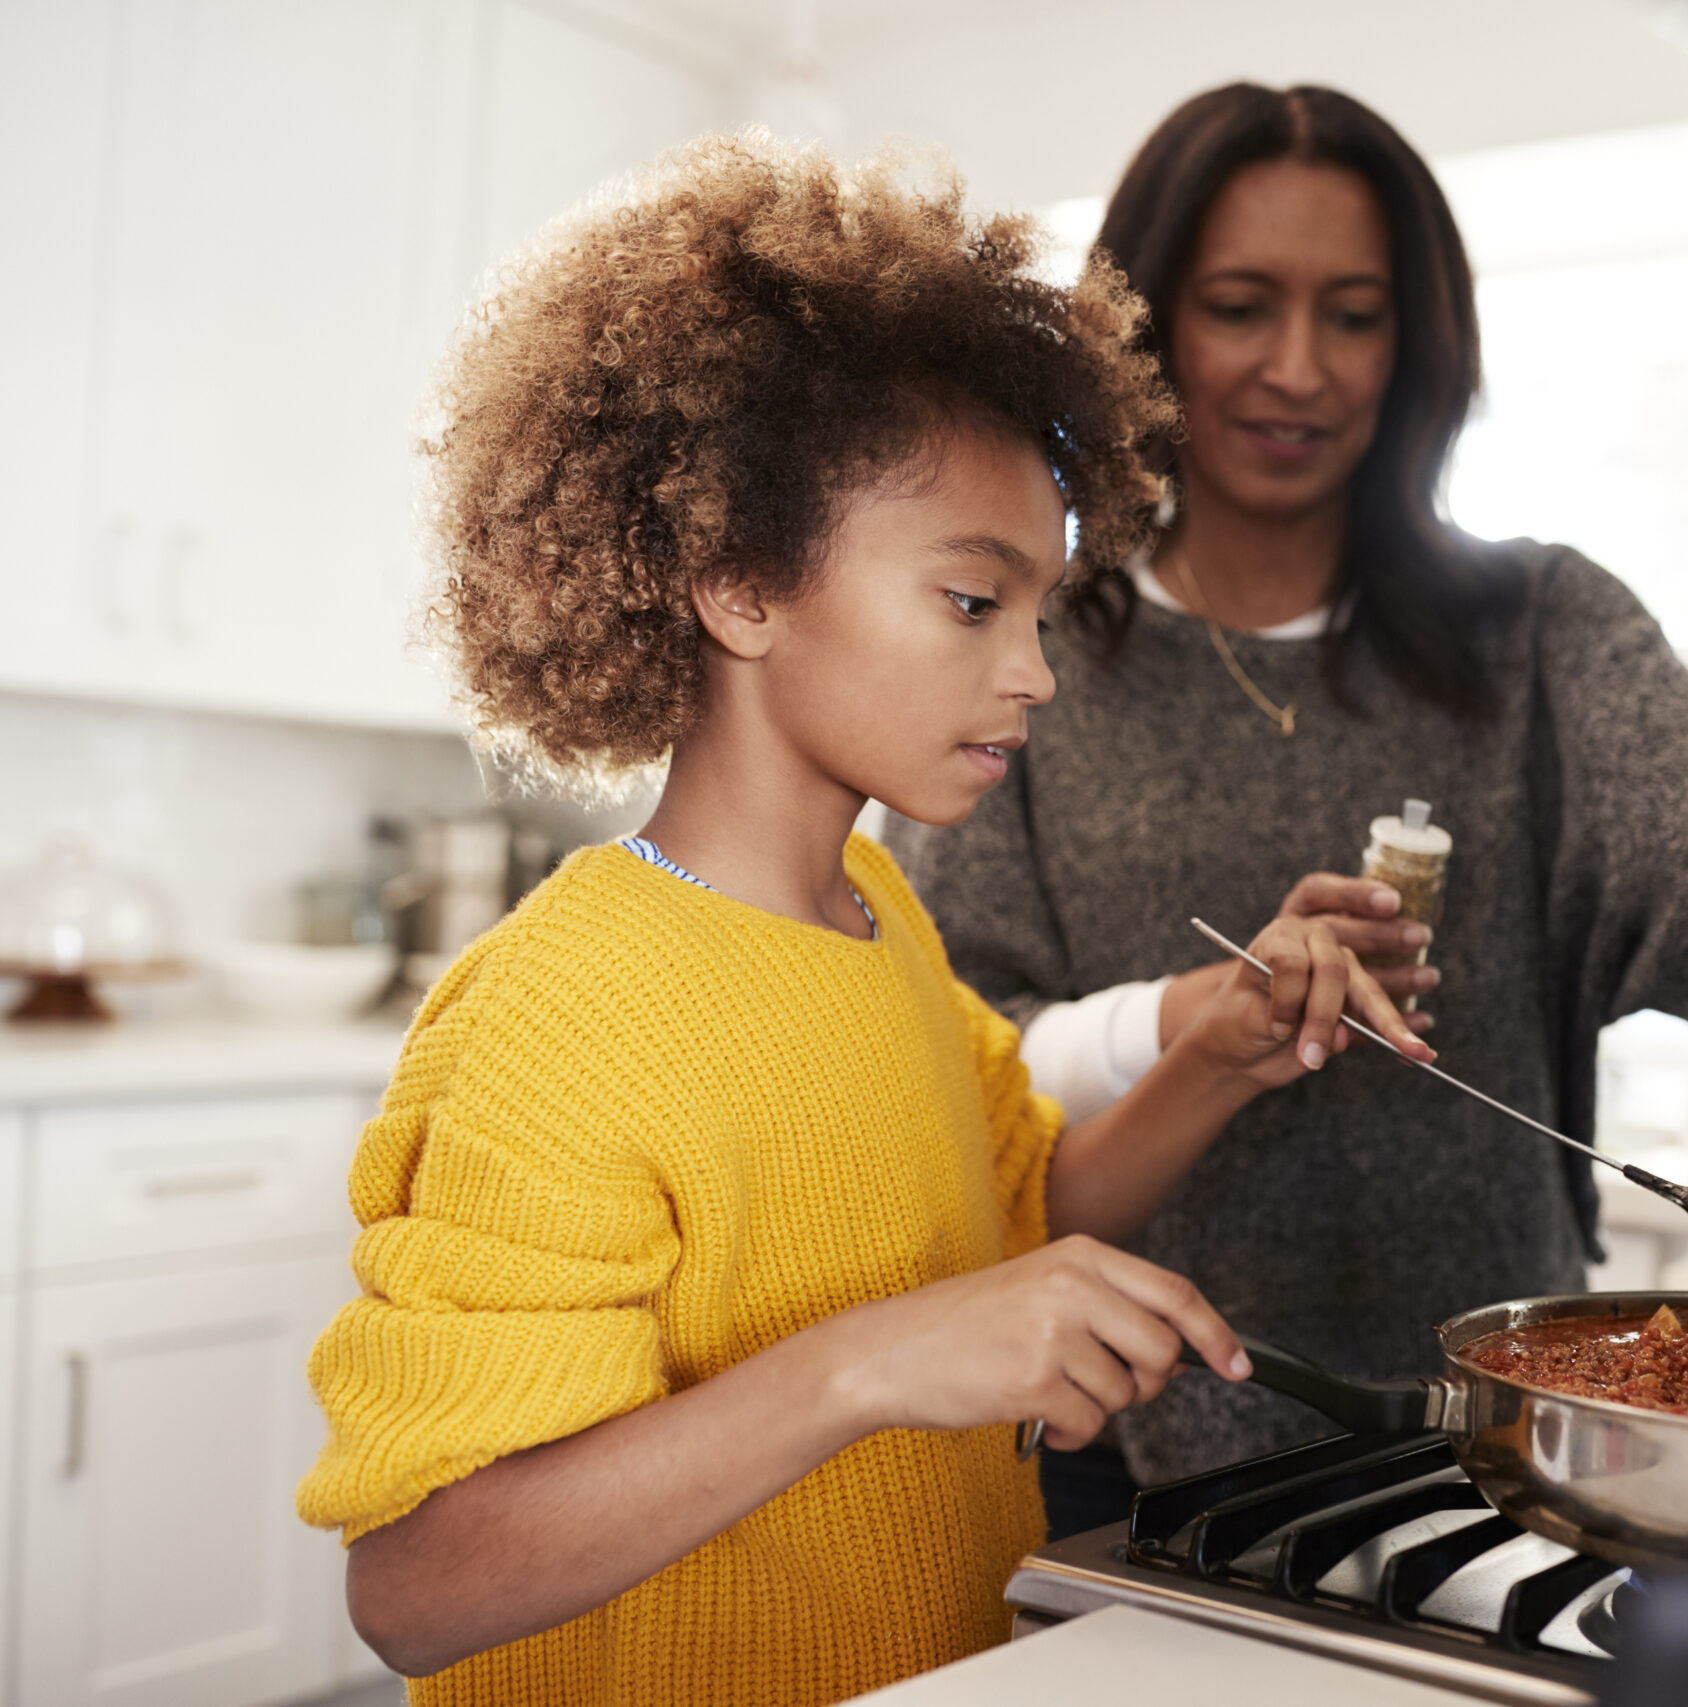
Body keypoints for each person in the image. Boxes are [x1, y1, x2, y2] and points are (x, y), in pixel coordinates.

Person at [292, 133, 1430, 1706]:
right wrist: (868, 1360)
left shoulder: (872, 907)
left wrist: (1222, 1053)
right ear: (740, 583)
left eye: (1043, 609)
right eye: (974, 601)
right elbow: (418, 1580)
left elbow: (1017, 1210)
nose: (1031, 669)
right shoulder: (556, 1018)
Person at [885, 84, 1688, 1521]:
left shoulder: (1529, 622)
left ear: (1417, 344)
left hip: (1498, 1440)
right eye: (1240, 305)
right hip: (1113, 1436)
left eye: (1354, 315)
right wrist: (1190, 1014)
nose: (1299, 367)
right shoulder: (1027, 641)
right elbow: (950, 1050)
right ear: (1148, 322)